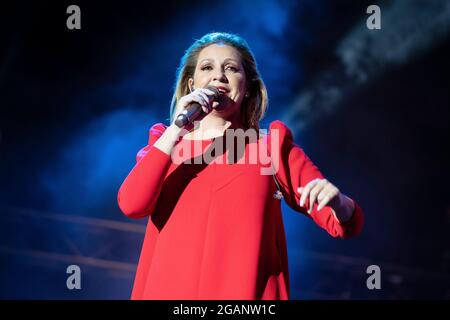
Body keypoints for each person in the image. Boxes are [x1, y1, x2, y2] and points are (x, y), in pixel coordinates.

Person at [117, 32, 364, 300]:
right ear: (191, 85)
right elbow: (132, 204)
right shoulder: (164, 146)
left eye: (231, 68)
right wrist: (176, 129)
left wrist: (339, 203)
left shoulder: (271, 147)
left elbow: (344, 224)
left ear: (246, 87)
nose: (218, 76)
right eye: (207, 67)